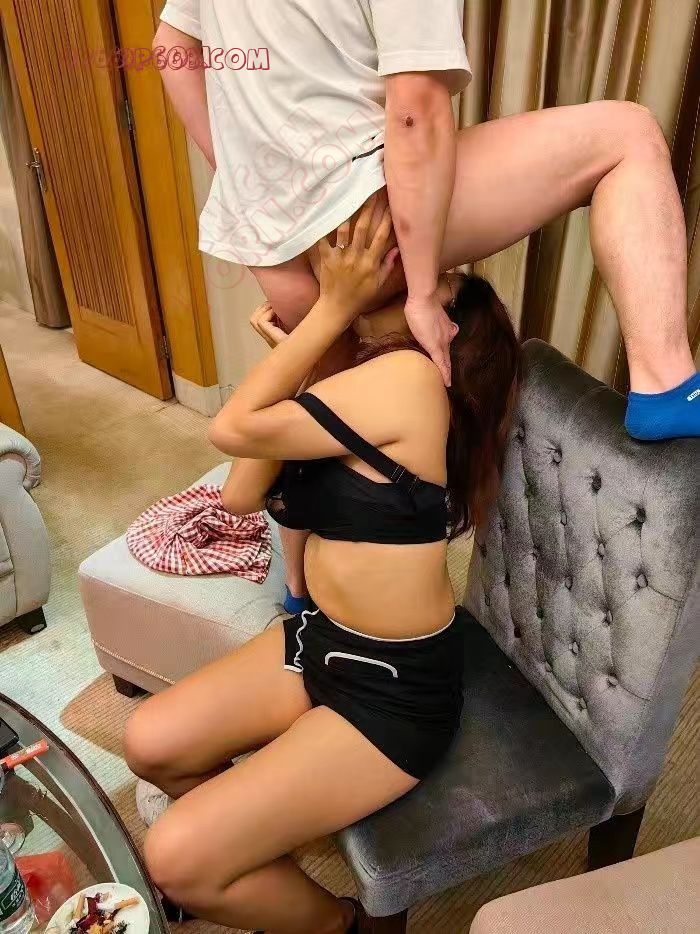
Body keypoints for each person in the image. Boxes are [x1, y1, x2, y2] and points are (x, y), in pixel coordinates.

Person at [155, 0, 698, 613]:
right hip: (360, 213)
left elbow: (172, 51)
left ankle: (300, 590)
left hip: (275, 240)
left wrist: (251, 185)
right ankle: (665, 384)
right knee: (627, 134)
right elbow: (414, 108)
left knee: (316, 416)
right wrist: (418, 292)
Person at [123, 199, 522, 933]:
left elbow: (229, 426)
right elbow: (242, 491)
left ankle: (343, 924)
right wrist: (308, 352)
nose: (404, 261)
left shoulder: (409, 380)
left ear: (443, 323)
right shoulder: (357, 378)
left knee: (173, 858)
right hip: (322, 640)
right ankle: (247, 846)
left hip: (392, 692)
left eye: (438, 276)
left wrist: (325, 314)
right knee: (149, 742)